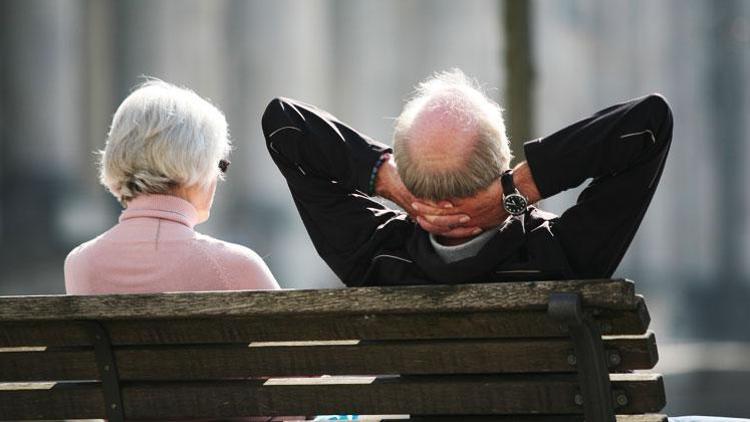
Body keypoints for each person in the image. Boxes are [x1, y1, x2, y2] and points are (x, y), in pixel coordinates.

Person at [261, 69, 672, 287]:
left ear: (410, 174)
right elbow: (649, 124)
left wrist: (388, 183)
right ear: (503, 160)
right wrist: (517, 192)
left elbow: (286, 127)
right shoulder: (562, 254)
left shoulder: (375, 258)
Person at [65, 80, 280, 294]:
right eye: (219, 164)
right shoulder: (236, 266)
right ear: (198, 162)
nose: (218, 177)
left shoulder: (80, 263)